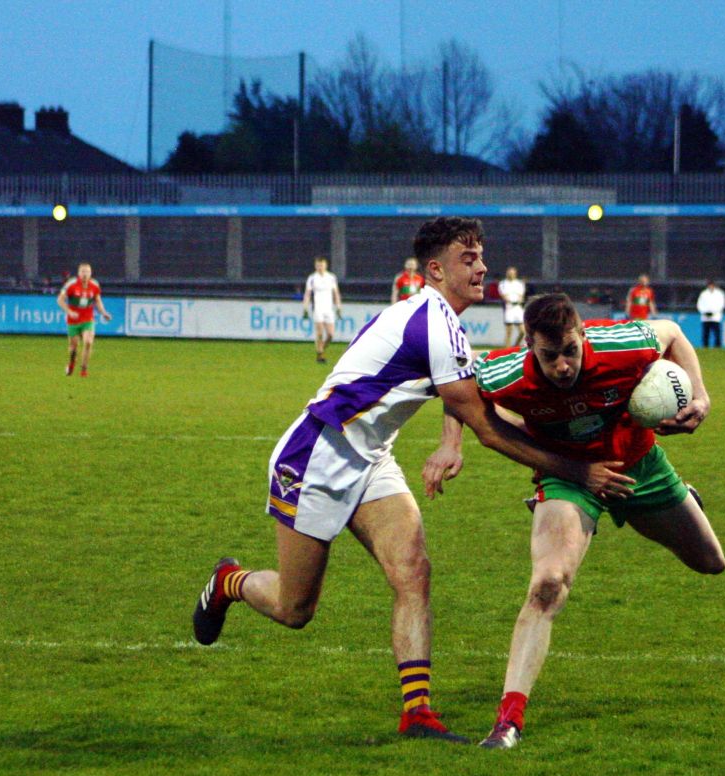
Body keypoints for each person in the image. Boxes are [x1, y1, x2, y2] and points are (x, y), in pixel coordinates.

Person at [191, 218, 635, 743]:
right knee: (295, 609)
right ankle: (230, 582)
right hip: (318, 456)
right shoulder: (433, 321)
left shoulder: (445, 323)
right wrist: (576, 469)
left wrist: (457, 443)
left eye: (481, 254)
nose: (482, 266)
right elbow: (486, 426)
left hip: (371, 457)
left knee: (413, 571)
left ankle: (417, 713)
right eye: (468, 257)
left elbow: (476, 402)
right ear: (436, 269)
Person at [429, 292, 725, 749]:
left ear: (583, 334)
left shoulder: (621, 344)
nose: (563, 365)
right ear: (530, 345)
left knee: (710, 562)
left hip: (637, 467)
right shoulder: (506, 370)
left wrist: (700, 398)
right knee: (548, 584)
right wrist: (452, 443)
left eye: (571, 350)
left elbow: (675, 333)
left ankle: (675, 500)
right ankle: (508, 722)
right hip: (569, 477)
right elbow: (460, 395)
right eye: (550, 356)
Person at [56, 262, 111, 377]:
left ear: (91, 273)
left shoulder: (95, 285)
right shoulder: (71, 284)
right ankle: (71, 363)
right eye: (83, 272)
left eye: (87, 272)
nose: (85, 274)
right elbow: (60, 300)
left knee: (88, 342)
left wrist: (104, 313)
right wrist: (70, 312)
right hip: (73, 321)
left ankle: (84, 369)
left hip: (88, 319)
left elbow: (97, 301)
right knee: (73, 347)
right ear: (78, 273)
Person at [303, 256, 342, 363]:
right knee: (320, 333)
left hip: (328, 309)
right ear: (315, 266)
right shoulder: (312, 278)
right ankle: (320, 355)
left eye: (322, 265)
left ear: (326, 265)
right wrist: (305, 307)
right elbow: (307, 294)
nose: (320, 267)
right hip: (318, 308)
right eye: (318, 265)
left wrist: (338, 306)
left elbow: (336, 293)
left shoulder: (331, 277)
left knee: (330, 334)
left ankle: (320, 350)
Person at [497, 266, 527, 348]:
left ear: (515, 274)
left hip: (518, 309)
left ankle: (515, 347)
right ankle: (507, 351)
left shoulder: (519, 284)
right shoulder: (503, 284)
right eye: (509, 273)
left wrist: (519, 300)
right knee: (509, 332)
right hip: (509, 308)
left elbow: (521, 295)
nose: (511, 274)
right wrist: (511, 301)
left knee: (523, 331)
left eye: (512, 273)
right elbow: (504, 296)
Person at [696, 279, 725, 348]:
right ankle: (705, 347)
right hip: (705, 317)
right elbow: (699, 304)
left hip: (715, 317)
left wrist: (713, 312)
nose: (711, 286)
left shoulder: (719, 294)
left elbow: (721, 304)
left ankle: (717, 347)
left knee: (717, 334)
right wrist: (705, 312)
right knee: (706, 334)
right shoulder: (703, 294)